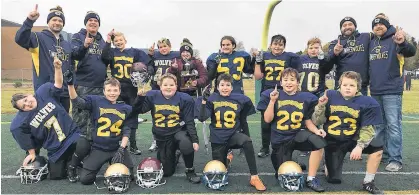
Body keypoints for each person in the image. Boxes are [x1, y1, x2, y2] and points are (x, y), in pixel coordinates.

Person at [312, 71, 384, 194]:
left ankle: (368, 181)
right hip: (332, 141)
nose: (348, 88)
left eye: (352, 85)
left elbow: (368, 128)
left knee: (377, 147)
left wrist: (360, 146)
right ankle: (328, 165)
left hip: (352, 139)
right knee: (333, 179)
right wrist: (321, 106)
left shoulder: (367, 102)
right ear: (339, 85)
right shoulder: (330, 95)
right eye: (345, 85)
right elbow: (317, 120)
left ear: (358, 87)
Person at [10, 56, 80, 180]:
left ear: (28, 94)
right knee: (56, 175)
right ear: (21, 110)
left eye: (26, 100)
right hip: (55, 147)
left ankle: (75, 160)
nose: (27, 104)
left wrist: (57, 68)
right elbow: (22, 136)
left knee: (84, 145)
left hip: (71, 136)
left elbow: (58, 85)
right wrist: (32, 153)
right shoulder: (20, 122)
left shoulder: (43, 92)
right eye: (23, 106)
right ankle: (70, 161)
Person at [257, 68, 326, 192]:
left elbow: (307, 120)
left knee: (318, 141)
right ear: (281, 82)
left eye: (292, 80)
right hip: (280, 139)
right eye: (286, 79)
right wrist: (272, 101)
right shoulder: (272, 95)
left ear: (298, 82)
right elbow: (267, 119)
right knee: (282, 173)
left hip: (297, 134)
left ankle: (311, 178)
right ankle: (295, 163)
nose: (289, 82)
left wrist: (316, 131)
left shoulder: (305, 97)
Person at [197, 73, 266, 191]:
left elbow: (243, 120)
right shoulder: (211, 99)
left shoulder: (240, 99)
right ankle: (228, 158)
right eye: (222, 85)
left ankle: (254, 177)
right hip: (217, 138)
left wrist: (246, 138)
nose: (225, 87)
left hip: (233, 135)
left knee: (247, 141)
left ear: (232, 87)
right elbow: (202, 118)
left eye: (227, 85)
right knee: (220, 170)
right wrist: (204, 101)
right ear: (217, 87)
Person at [15, 5, 89, 112]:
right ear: (48, 22)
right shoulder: (38, 37)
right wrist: (29, 21)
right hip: (45, 91)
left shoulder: (67, 44)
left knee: (63, 124)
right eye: (54, 19)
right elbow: (19, 39)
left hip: (64, 93)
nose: (57, 22)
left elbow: (73, 62)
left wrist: (85, 46)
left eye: (60, 20)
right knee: (47, 126)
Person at [131, 73, 201, 184]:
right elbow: (137, 111)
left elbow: (189, 121)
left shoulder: (184, 99)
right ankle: (175, 155)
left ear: (176, 86)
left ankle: (190, 170)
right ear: (160, 86)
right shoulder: (152, 95)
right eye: (165, 85)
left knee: (186, 143)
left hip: (178, 132)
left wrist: (194, 140)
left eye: (171, 84)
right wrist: (140, 97)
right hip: (161, 136)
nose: (168, 87)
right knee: (167, 172)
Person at [67, 74, 135, 185]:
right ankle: (80, 163)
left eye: (115, 90)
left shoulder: (125, 108)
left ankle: (112, 164)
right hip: (99, 148)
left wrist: (122, 149)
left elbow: (127, 130)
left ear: (119, 91)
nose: (112, 93)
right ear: (103, 91)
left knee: (130, 175)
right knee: (86, 179)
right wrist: (70, 85)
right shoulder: (96, 101)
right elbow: (77, 102)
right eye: (109, 90)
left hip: (116, 148)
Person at [369, 16, 416, 172]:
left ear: (387, 26)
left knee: (393, 126)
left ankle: (395, 159)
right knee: (379, 126)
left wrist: (402, 42)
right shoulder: (372, 42)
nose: (378, 27)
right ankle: (383, 154)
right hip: (375, 90)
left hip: (392, 90)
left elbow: (410, 51)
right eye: (375, 25)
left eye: (381, 24)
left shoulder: (395, 38)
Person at [101, 30, 154, 155]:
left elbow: (148, 63)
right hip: (117, 87)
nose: (118, 42)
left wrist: (149, 70)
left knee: (132, 116)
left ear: (125, 41)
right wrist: (108, 41)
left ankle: (133, 145)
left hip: (131, 88)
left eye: (120, 40)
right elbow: (104, 57)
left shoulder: (134, 52)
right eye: (116, 41)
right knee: (114, 115)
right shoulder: (112, 52)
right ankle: (115, 144)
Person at [253, 34, 301, 157]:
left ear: (284, 46)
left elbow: (296, 74)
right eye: (275, 44)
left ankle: (282, 146)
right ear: (271, 45)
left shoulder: (290, 57)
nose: (277, 47)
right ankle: (265, 147)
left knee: (282, 120)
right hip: (266, 91)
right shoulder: (264, 56)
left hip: (284, 92)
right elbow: (258, 76)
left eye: (280, 44)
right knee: (265, 122)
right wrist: (257, 61)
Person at [71, 11, 108, 147]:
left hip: (99, 86)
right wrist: (85, 45)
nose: (93, 22)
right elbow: (74, 55)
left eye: (96, 21)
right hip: (83, 85)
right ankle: (77, 150)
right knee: (81, 119)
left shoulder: (101, 40)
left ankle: (92, 148)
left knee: (96, 118)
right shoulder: (78, 36)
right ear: (86, 23)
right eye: (90, 20)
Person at [148, 38, 180, 151]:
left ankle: (174, 139)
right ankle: (155, 140)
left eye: (165, 46)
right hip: (157, 88)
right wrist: (150, 55)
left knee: (173, 114)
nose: (163, 49)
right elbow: (149, 65)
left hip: (170, 89)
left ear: (170, 47)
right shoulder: (155, 55)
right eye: (160, 47)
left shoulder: (176, 55)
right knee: (156, 115)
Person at [328, 17, 371, 96]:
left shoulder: (366, 37)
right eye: (344, 25)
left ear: (355, 26)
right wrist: (334, 53)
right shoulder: (335, 43)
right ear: (341, 29)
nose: (347, 27)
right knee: (340, 108)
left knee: (360, 108)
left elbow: (381, 35)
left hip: (361, 86)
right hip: (342, 86)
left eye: (350, 24)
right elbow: (328, 63)